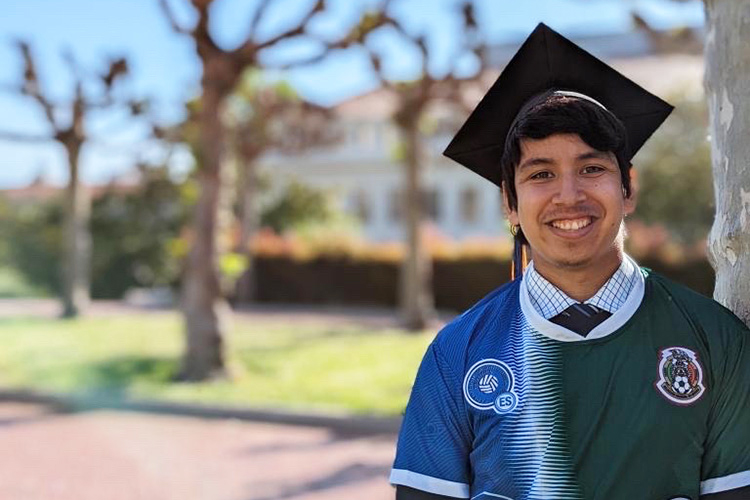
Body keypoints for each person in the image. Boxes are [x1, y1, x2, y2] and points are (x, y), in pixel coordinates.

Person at [389, 23, 750, 500]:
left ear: (628, 187)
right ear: (510, 203)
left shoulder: (715, 339)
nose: (569, 195)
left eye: (592, 168)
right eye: (540, 173)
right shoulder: (457, 353)